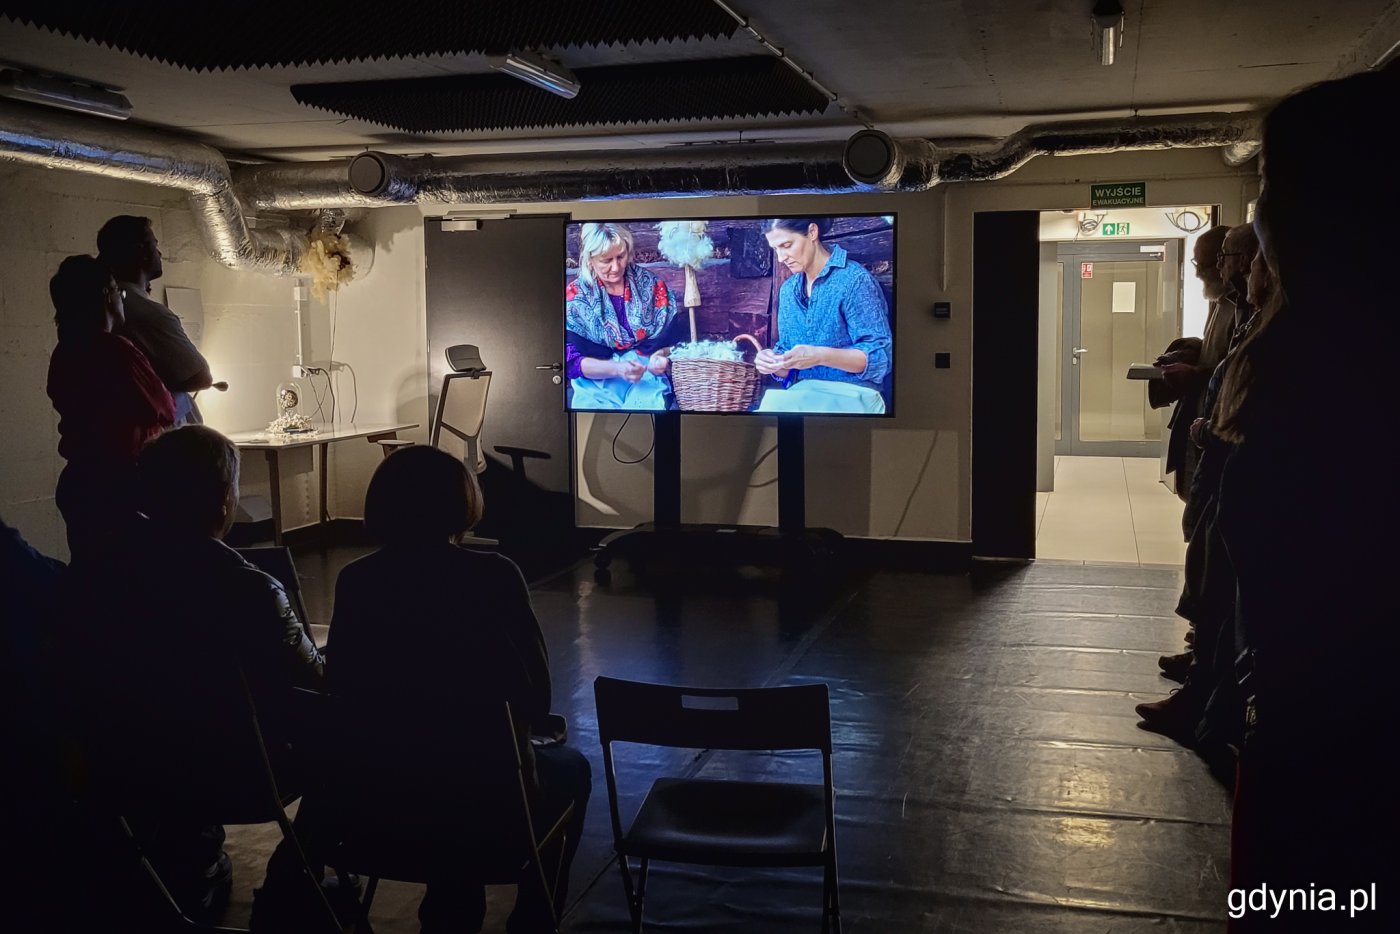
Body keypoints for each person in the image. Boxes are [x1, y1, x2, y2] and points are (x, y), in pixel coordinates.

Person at [1212, 64, 1399, 933]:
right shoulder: (1328, 357)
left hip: (1328, 741)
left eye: (1269, 190)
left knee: (1305, 903)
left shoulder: (1323, 376)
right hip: (1314, 717)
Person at [259, 445, 590, 933]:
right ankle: (532, 919)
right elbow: (534, 697)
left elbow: (342, 687)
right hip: (483, 797)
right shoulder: (495, 576)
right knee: (572, 769)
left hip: (375, 797)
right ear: (462, 503)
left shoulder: (357, 581)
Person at [57, 426, 325, 922]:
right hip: (240, 773)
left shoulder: (94, 581)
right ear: (224, 499)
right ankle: (291, 882)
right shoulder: (251, 590)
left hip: (125, 764)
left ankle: (189, 862)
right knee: (348, 740)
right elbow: (317, 681)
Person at [46, 255, 175, 560]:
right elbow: (165, 409)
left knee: (94, 570)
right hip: (121, 485)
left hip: (80, 481)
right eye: (119, 291)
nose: (121, 300)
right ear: (107, 295)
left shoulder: (64, 352)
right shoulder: (116, 351)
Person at [755, 217, 892, 414]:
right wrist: (773, 363)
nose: (781, 258)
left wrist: (820, 356)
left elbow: (880, 357)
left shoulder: (854, 280)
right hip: (802, 395)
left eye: (786, 245)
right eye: (775, 249)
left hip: (854, 395)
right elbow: (787, 369)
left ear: (812, 232)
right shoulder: (788, 290)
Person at [97, 215, 213, 426]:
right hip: (161, 436)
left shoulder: (107, 307)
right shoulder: (147, 313)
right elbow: (200, 376)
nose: (159, 253)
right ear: (141, 251)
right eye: (154, 245)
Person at [565, 222, 687, 410]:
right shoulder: (575, 299)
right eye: (606, 260)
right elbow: (571, 362)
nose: (616, 267)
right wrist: (618, 369)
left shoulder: (652, 287)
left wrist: (658, 358)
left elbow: (673, 344)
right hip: (596, 383)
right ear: (590, 259)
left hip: (645, 376)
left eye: (620, 257)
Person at [1158, 224, 1231, 505]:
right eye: (1196, 264)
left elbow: (1238, 369)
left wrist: (1197, 374)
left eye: (1204, 265)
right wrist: (1190, 351)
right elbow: (1217, 351)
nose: (1199, 272)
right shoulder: (1219, 301)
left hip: (1222, 423)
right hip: (1202, 414)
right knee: (1192, 495)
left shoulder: (1244, 306)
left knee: (1208, 502)